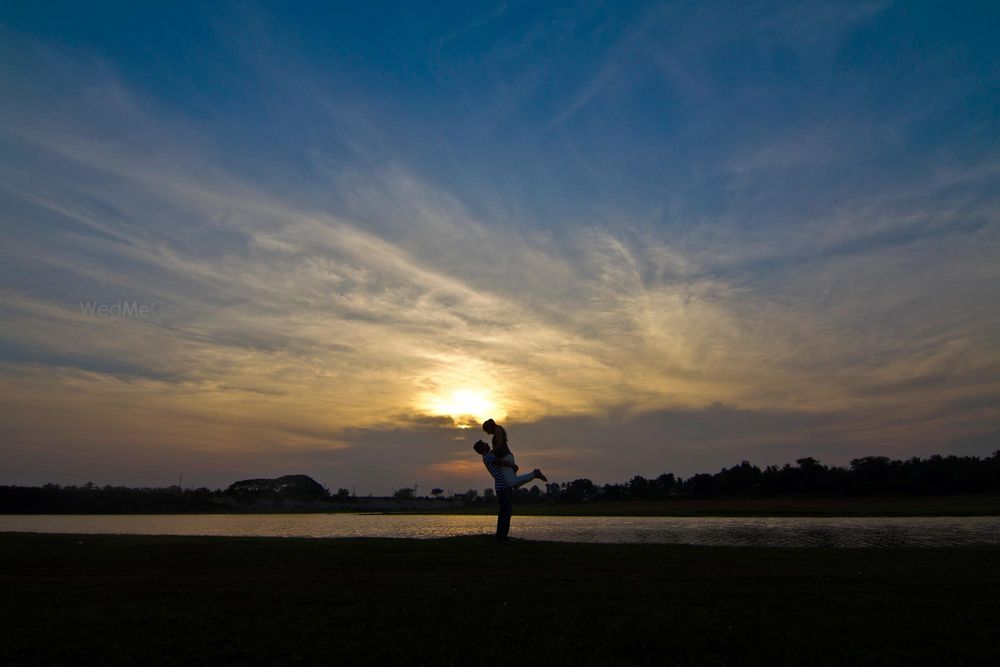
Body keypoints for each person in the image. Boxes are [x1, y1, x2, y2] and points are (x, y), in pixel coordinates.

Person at [473, 439, 547, 543]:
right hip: (502, 488)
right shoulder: (488, 457)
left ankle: (503, 536)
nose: (487, 444)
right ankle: (501, 537)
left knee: (506, 512)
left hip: (504, 487)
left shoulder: (489, 455)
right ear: (481, 449)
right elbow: (500, 462)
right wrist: (512, 465)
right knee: (505, 513)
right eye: (485, 444)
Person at [482, 418, 545, 490]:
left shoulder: (497, 429)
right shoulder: (497, 430)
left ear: (489, 427)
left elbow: (500, 444)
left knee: (510, 482)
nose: (487, 433)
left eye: (487, 431)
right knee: (515, 485)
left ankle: (534, 474)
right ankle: (534, 475)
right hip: (506, 457)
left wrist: (491, 453)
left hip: (505, 457)